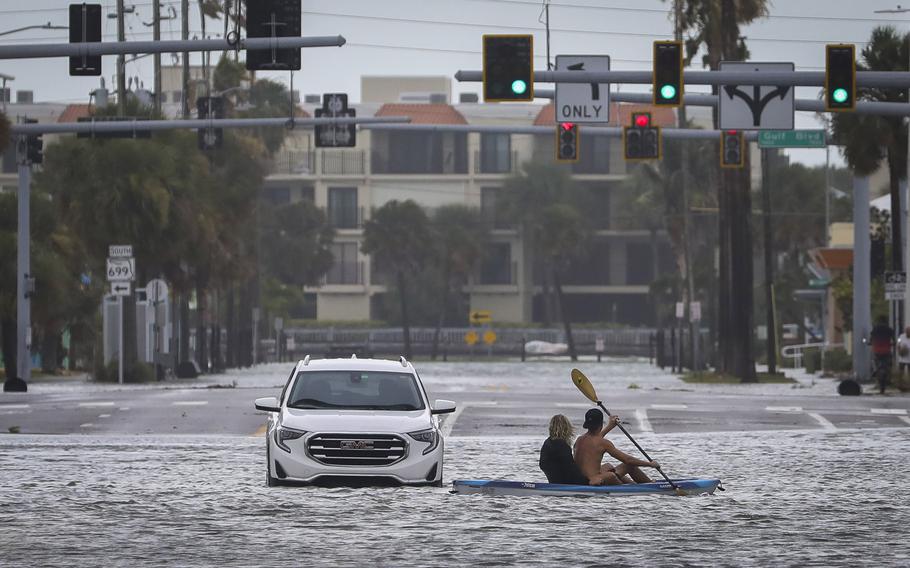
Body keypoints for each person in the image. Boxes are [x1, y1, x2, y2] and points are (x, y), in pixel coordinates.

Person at [573, 408, 660, 485]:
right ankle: (648, 485)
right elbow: (628, 460)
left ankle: (633, 485)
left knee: (608, 466)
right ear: (601, 424)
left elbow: (595, 441)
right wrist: (650, 464)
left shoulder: (579, 439)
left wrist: (610, 426)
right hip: (594, 481)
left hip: (582, 479)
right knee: (629, 466)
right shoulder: (603, 443)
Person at [538, 414, 589, 485]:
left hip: (554, 482)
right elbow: (572, 469)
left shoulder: (547, 442)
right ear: (566, 428)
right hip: (568, 483)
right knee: (607, 472)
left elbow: (543, 465)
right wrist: (588, 480)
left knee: (606, 467)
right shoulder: (562, 446)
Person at [870, 315, 894, 393]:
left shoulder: (875, 328)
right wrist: (894, 342)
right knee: (889, 362)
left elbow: (871, 337)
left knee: (874, 360)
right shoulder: (889, 329)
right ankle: (889, 373)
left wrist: (870, 342)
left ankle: (874, 370)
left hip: (877, 349)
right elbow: (893, 338)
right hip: (886, 349)